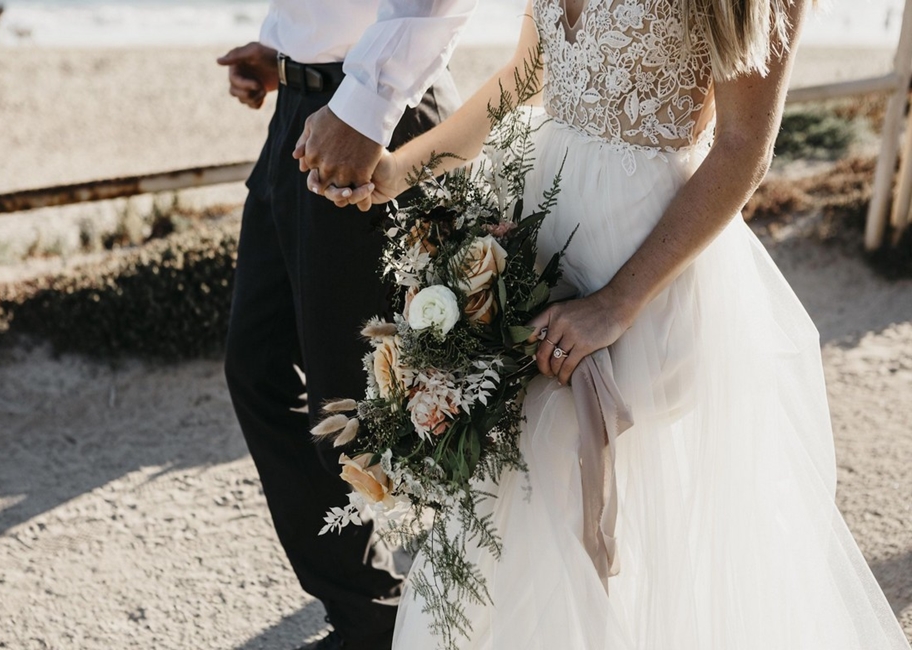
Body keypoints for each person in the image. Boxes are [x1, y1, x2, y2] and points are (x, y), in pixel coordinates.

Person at [313, 0, 912, 648]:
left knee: (588, 495)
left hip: (645, 263)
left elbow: (745, 149)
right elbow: (525, 75)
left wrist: (617, 303)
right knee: (513, 503)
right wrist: (403, 168)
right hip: (541, 236)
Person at [217, 2, 475, 649]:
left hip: (373, 115)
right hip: (302, 109)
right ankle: (370, 617)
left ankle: (459, 615)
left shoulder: (369, 103)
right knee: (258, 368)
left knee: (376, 405)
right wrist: (286, 49)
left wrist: (365, 104)